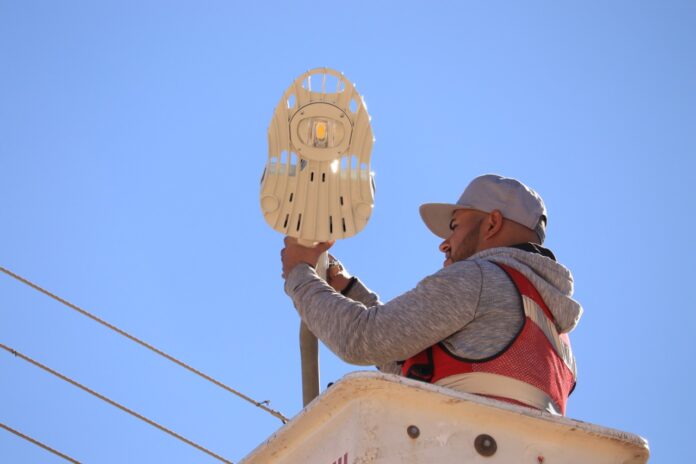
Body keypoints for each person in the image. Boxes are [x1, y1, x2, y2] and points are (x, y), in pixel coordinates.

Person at [280, 174, 582, 415]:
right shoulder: (555, 333)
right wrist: (348, 289)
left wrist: (300, 273)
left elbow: (361, 339)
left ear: (492, 224)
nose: (444, 244)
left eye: (455, 226)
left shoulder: (478, 278)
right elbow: (410, 365)